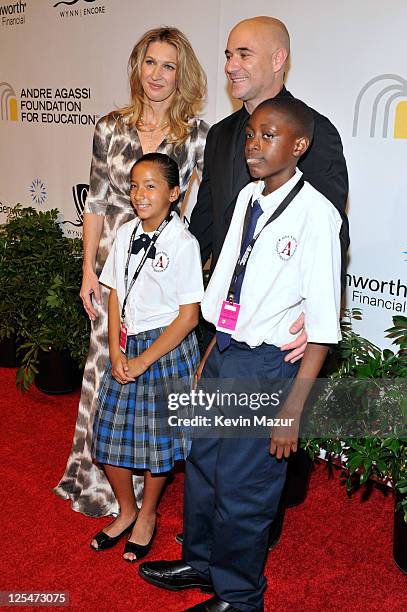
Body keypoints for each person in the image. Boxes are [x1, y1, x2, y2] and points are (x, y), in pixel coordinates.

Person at [139, 97, 342, 611]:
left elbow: (321, 326)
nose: (254, 144)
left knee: (245, 488)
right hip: (225, 351)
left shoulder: (317, 216)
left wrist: (293, 409)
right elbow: (227, 280)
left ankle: (240, 597)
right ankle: (203, 563)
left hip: (266, 367)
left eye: (269, 135)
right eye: (251, 133)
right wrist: (211, 352)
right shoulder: (247, 199)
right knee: (204, 466)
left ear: (299, 146)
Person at [174, 14, 349, 549]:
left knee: (251, 479)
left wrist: (317, 315)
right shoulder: (224, 134)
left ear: (278, 59)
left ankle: (241, 565)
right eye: (228, 54)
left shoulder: (314, 132)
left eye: (244, 54)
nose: (231, 65)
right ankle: (205, 559)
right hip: (227, 321)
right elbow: (205, 221)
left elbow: (329, 234)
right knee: (208, 455)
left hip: (277, 331)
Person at [53, 27, 209, 517]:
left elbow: (198, 206)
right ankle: (99, 481)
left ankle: (148, 489)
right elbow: (96, 201)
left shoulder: (197, 134)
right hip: (114, 268)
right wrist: (87, 271)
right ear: (137, 67)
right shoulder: (109, 127)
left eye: (168, 66)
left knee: (153, 374)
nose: (158, 74)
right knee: (106, 368)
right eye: (150, 63)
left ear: (181, 74)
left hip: (162, 268)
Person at [89, 153, 203, 560]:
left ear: (174, 194)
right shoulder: (124, 232)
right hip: (127, 344)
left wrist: (142, 361)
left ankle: (148, 515)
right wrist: (116, 347)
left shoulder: (183, 243)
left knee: (158, 443)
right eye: (135, 185)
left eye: (151, 186)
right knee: (105, 434)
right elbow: (115, 292)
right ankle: (127, 510)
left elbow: (189, 318)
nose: (140, 194)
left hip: (166, 349)